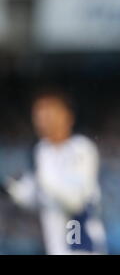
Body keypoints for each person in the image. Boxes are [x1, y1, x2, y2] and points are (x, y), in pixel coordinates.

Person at [5, 89, 106, 254]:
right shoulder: (41, 151)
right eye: (38, 115)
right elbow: (40, 196)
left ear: (68, 116)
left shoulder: (81, 148)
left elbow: (76, 201)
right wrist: (15, 191)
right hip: (56, 248)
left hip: (82, 245)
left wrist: (42, 179)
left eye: (49, 113)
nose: (43, 120)